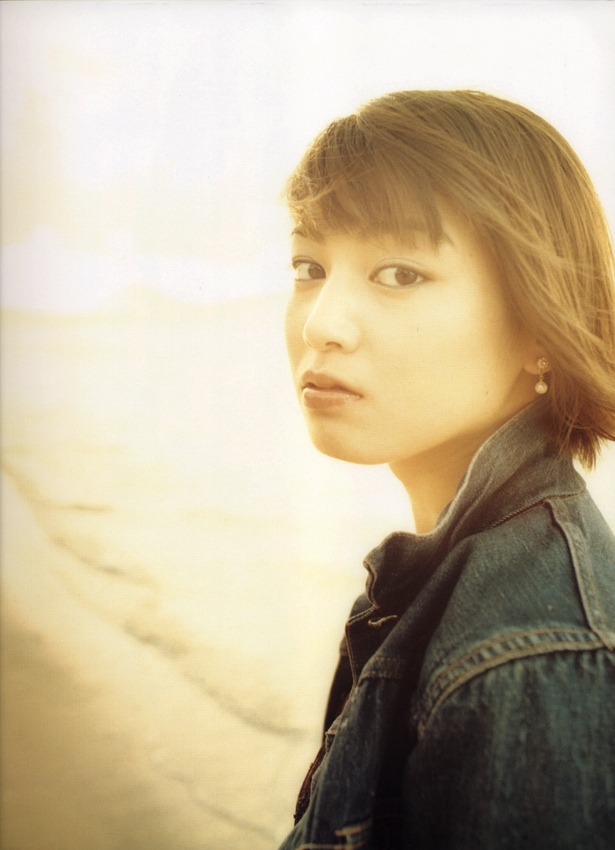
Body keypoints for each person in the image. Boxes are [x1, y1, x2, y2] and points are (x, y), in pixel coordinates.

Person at [278, 90, 615, 850]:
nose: (322, 324)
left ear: (540, 326)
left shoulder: (533, 661)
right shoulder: (453, 585)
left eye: (399, 274)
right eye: (308, 266)